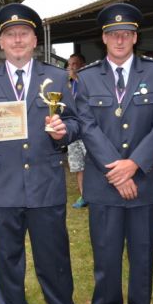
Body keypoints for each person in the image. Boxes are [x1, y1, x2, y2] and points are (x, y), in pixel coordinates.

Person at [0, 4, 87, 304]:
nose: (17, 40)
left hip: (45, 181)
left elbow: (77, 123)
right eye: (9, 35)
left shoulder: (59, 77)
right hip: (3, 182)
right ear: (0, 42)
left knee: (54, 253)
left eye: (23, 33)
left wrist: (65, 130)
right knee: (6, 254)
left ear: (35, 39)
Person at [74, 3, 153, 304]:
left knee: (143, 253)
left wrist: (134, 165)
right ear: (103, 38)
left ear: (135, 37)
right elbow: (86, 126)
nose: (120, 39)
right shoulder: (86, 77)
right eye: (114, 34)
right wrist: (116, 170)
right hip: (104, 183)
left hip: (144, 181)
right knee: (105, 254)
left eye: (127, 34)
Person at [66, 53, 88, 209]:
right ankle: (83, 195)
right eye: (69, 64)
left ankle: (95, 195)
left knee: (92, 164)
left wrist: (76, 77)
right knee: (77, 165)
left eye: (75, 64)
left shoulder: (87, 80)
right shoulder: (67, 83)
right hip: (73, 130)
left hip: (87, 130)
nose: (71, 67)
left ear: (82, 65)